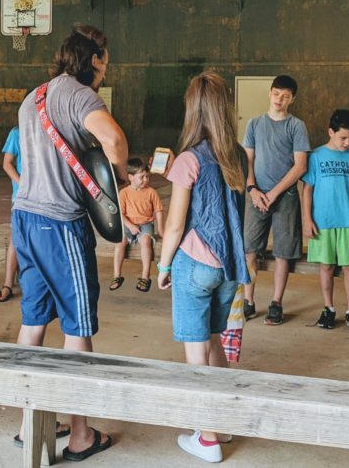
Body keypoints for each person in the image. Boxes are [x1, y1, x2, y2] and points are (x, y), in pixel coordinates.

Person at [11, 24, 128, 460]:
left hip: (24, 216)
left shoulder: (33, 97)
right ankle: (80, 434)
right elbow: (113, 139)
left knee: (34, 321)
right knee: (77, 326)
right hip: (60, 224)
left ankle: (29, 423)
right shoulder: (80, 95)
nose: (106, 66)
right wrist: (118, 178)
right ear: (94, 59)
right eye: (106, 58)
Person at [157, 72, 250, 464]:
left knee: (196, 353)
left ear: (192, 110)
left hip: (196, 263)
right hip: (230, 266)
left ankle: (207, 438)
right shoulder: (240, 156)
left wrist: (162, 266)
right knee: (215, 342)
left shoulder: (188, 159)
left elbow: (176, 224)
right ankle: (222, 422)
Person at [301, 109, 349, 333]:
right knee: (326, 267)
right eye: (343, 137)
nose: (347, 143)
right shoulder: (316, 156)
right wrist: (307, 219)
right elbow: (307, 189)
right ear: (330, 132)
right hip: (323, 222)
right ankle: (329, 308)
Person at [242, 75, 309, 325]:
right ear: (270, 93)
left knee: (283, 253)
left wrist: (274, 193)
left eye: (286, 95)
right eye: (277, 93)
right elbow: (247, 160)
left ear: (293, 99)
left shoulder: (296, 126)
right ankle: (248, 301)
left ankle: (276, 302)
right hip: (256, 196)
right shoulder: (254, 124)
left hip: (285, 197)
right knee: (249, 249)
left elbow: (300, 166)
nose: (280, 99)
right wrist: (252, 189)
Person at [110, 157, 163, 293]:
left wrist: (160, 230)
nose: (146, 180)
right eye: (142, 177)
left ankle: (145, 276)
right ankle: (117, 275)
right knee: (120, 242)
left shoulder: (151, 192)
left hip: (145, 224)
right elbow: (120, 214)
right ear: (131, 177)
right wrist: (130, 226)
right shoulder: (124, 193)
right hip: (128, 225)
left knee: (146, 242)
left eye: (147, 176)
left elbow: (158, 211)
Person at [0, 120, 22, 303]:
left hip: (46, 198)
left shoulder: (50, 132)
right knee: (16, 239)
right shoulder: (17, 133)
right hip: (21, 197)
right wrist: (23, 185)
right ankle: (7, 285)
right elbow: (7, 164)